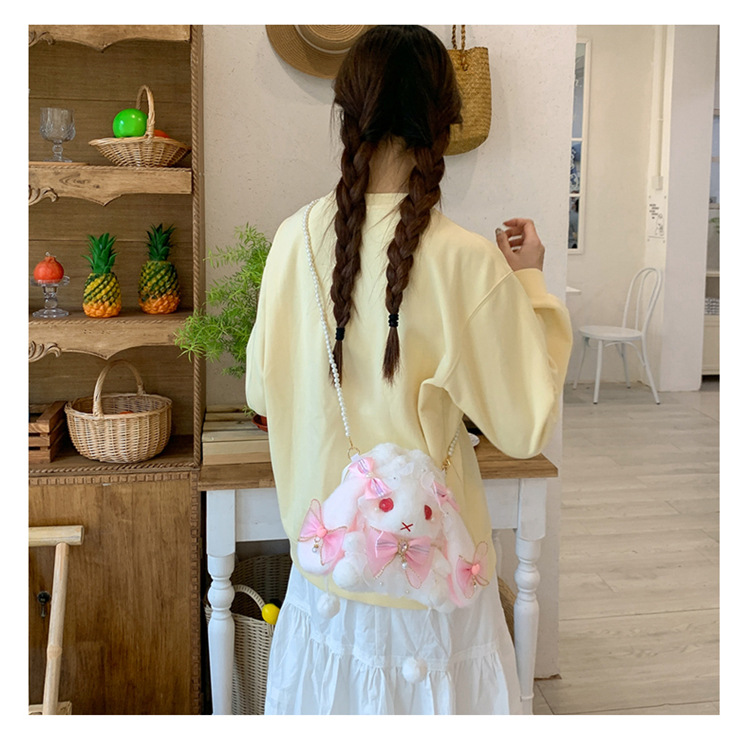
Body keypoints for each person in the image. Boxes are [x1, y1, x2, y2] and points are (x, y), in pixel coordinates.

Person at [245, 25, 572, 715]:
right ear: (443, 123)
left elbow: (260, 391)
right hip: (433, 604)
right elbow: (526, 425)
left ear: (347, 114)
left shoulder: (291, 242)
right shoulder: (467, 261)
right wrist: (531, 284)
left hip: (326, 593)